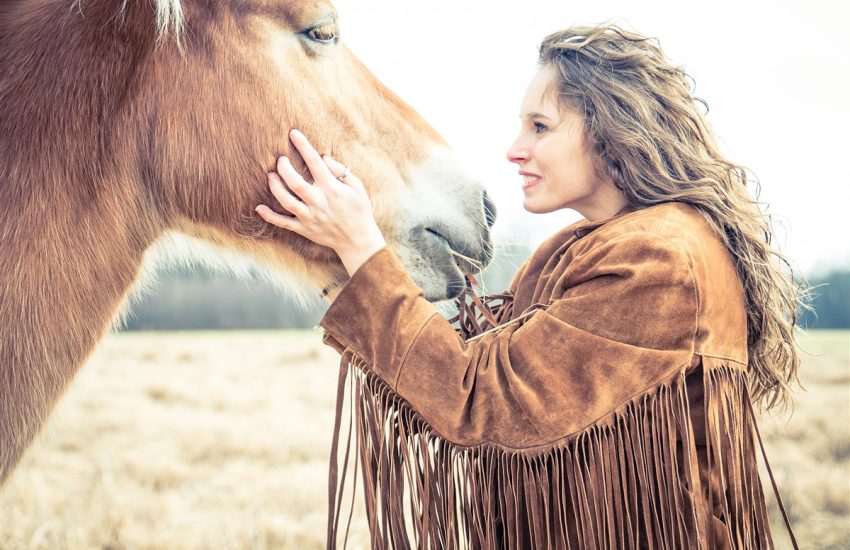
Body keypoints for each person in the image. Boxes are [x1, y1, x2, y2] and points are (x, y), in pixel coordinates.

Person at [255, 24, 804, 549]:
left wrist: (362, 250)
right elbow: (460, 361)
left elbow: (477, 396)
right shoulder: (580, 247)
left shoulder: (657, 259)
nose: (515, 149)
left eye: (540, 127)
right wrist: (343, 262)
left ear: (614, 132)